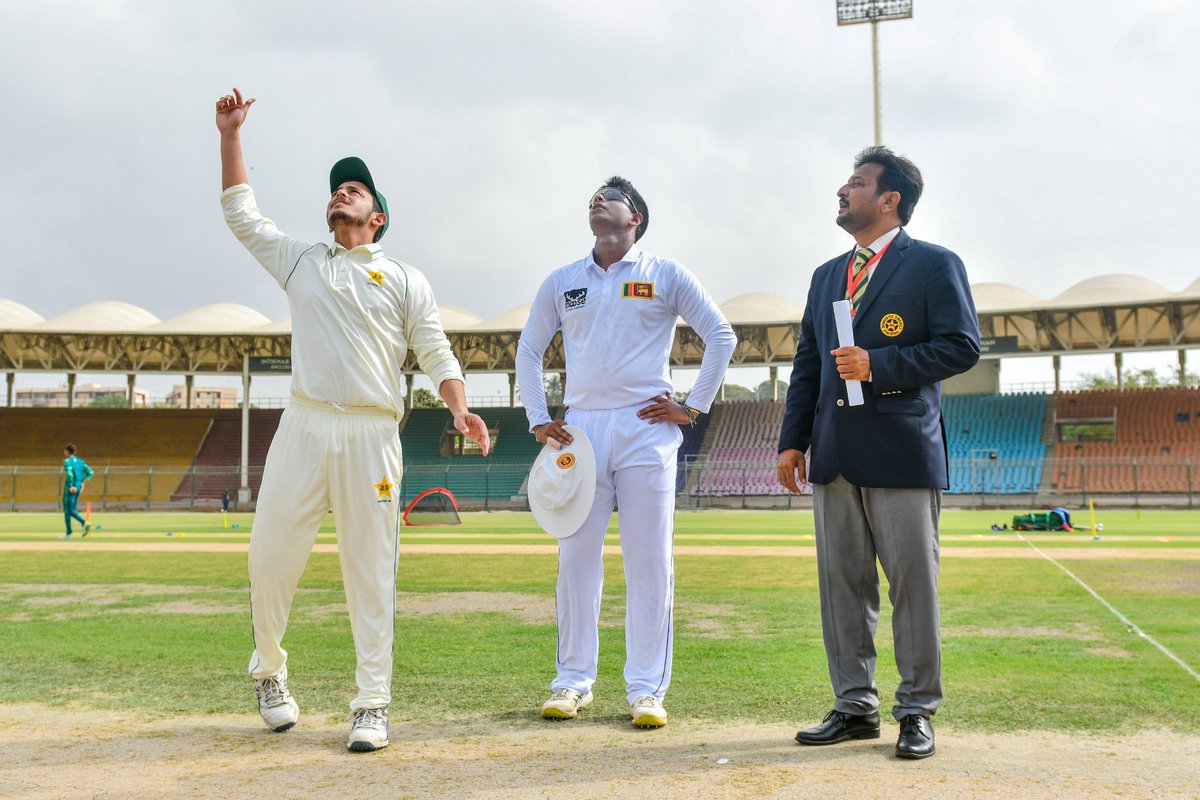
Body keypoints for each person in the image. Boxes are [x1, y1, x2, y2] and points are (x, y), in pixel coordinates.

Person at [215, 87, 490, 752]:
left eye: (355, 189)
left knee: (371, 571)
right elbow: (241, 214)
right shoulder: (302, 259)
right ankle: (270, 675)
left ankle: (371, 704)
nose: (342, 193)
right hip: (304, 427)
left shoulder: (403, 278)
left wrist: (458, 407)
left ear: (379, 217)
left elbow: (435, 352)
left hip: (371, 435)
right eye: (337, 189)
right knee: (269, 557)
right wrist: (230, 135)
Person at [777, 147, 980, 760]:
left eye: (857, 183)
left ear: (890, 199)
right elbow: (809, 364)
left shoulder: (934, 265)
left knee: (912, 589)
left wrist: (880, 365)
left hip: (901, 451)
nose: (843, 189)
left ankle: (917, 709)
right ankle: (854, 705)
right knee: (842, 588)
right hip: (835, 454)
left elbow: (961, 346)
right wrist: (793, 439)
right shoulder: (825, 276)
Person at [516, 177, 736, 728]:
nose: (597, 200)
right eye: (592, 197)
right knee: (576, 561)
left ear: (634, 217)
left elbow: (721, 334)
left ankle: (646, 689)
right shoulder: (564, 280)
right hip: (582, 431)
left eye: (609, 196)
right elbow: (529, 348)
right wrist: (540, 419)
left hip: (646, 428)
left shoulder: (665, 273)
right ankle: (572, 681)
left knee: (648, 562)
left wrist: (694, 407)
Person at [61, 443, 93, 539]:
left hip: (70, 488)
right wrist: (83, 483)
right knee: (71, 509)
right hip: (78, 487)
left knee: (68, 510)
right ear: (74, 452)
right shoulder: (80, 461)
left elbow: (70, 474)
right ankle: (68, 533)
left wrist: (71, 486)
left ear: (67, 451)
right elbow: (90, 472)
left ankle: (84, 523)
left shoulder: (67, 461)